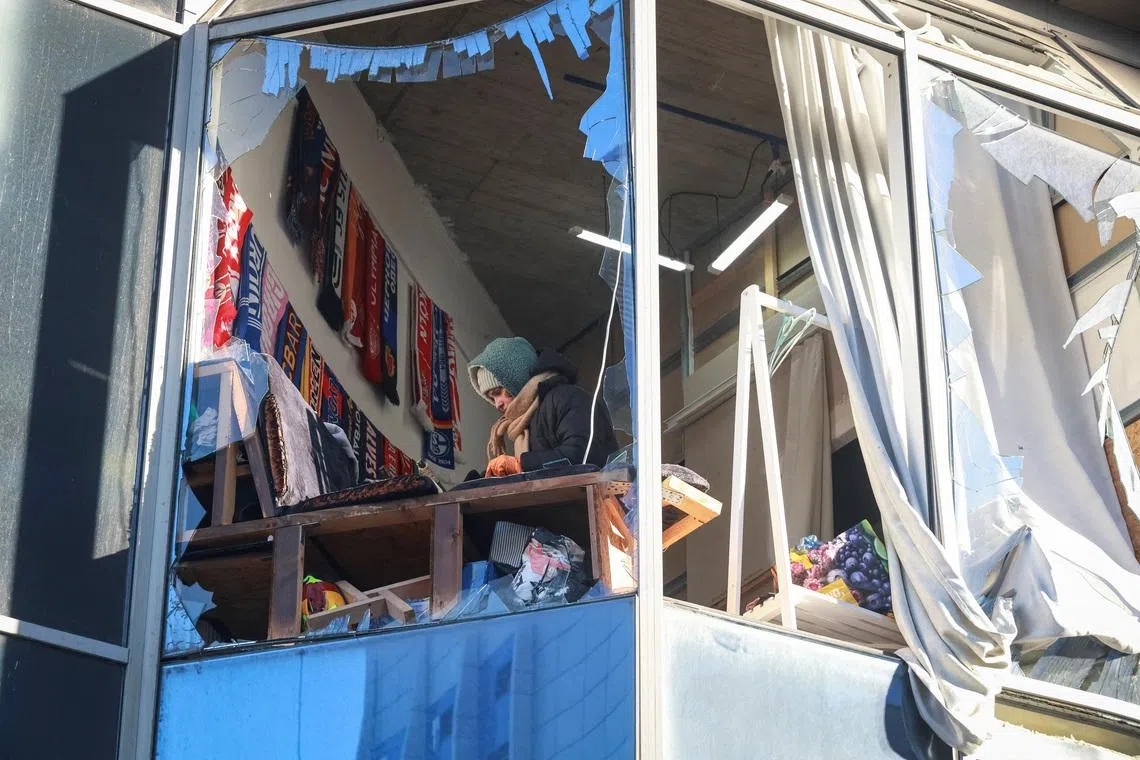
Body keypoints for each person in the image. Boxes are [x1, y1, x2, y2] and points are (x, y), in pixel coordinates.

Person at [468, 336, 619, 477]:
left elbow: (585, 454)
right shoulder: (524, 423)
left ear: (516, 377)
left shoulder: (567, 398)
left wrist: (522, 464)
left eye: (497, 392)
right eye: (491, 398)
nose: (497, 403)